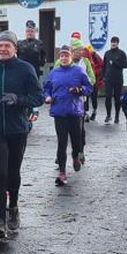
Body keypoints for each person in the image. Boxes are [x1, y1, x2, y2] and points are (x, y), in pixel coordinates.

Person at [0, 30, 43, 239]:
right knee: (0, 173)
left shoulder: (25, 69)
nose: (3, 49)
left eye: (7, 46)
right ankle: (0, 219)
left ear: (15, 49)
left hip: (18, 128)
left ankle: (13, 205)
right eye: (0, 46)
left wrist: (18, 99)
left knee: (13, 171)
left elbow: (38, 97)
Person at [43, 46, 93, 186]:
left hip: (75, 112)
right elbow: (46, 88)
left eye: (66, 55)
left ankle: (76, 156)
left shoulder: (79, 71)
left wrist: (79, 90)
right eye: (61, 56)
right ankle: (62, 172)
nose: (64, 58)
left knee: (76, 141)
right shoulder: (54, 72)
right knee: (62, 142)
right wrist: (47, 97)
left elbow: (89, 88)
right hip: (59, 112)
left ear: (71, 56)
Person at [102, 36, 127, 123]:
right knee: (108, 97)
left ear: (117, 43)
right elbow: (104, 66)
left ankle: (117, 116)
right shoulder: (107, 53)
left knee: (117, 98)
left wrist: (115, 62)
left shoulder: (121, 53)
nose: (113, 43)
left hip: (118, 79)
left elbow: (125, 65)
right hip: (108, 79)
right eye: (112, 41)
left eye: (115, 42)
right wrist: (103, 77)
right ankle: (108, 115)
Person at [85, 44, 104, 121]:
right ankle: (85, 113)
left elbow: (101, 66)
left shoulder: (96, 57)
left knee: (94, 97)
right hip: (86, 81)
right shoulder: (85, 58)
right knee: (85, 97)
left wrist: (97, 75)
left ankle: (94, 111)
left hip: (94, 80)